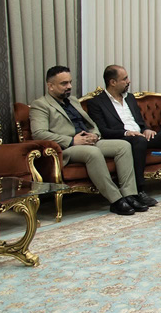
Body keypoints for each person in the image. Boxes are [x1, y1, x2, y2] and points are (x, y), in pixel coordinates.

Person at [29, 65, 146, 216]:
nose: (69, 86)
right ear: (50, 86)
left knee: (123, 146)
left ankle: (130, 194)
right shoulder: (40, 105)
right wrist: (72, 140)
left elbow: (91, 124)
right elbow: (39, 134)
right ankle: (116, 199)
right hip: (67, 147)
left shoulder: (73, 101)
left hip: (88, 141)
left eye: (70, 82)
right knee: (93, 153)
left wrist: (95, 135)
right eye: (64, 83)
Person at [86, 65, 161, 206]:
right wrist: (126, 132)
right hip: (121, 138)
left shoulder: (130, 98)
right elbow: (103, 130)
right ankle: (139, 190)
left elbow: (140, 122)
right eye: (125, 79)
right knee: (139, 141)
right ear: (112, 82)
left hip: (140, 135)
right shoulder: (96, 103)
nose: (129, 81)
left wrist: (146, 129)